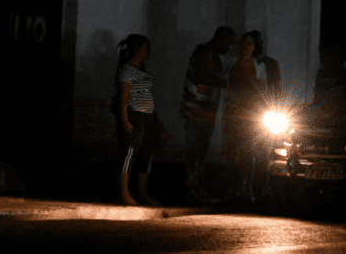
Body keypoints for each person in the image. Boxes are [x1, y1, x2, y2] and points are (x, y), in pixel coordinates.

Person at [179, 26, 237, 205]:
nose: (229, 49)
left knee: (198, 153)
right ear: (222, 39)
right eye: (229, 44)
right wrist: (229, 84)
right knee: (195, 153)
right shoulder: (204, 53)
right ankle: (193, 191)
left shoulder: (210, 55)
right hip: (197, 111)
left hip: (203, 111)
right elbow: (204, 77)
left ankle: (196, 190)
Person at [114, 34, 170, 206]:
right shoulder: (127, 70)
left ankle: (141, 191)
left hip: (147, 116)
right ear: (137, 49)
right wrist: (124, 120)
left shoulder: (143, 71)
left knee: (146, 154)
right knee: (130, 154)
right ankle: (124, 192)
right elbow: (124, 97)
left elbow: (148, 96)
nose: (148, 51)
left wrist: (157, 123)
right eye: (145, 48)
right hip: (135, 115)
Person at [225, 32, 269, 202]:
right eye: (244, 43)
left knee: (249, 152)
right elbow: (228, 88)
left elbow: (263, 88)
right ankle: (233, 188)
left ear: (254, 46)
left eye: (249, 43)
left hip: (252, 115)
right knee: (232, 151)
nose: (245, 46)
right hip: (234, 114)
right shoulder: (232, 64)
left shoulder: (258, 66)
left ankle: (247, 188)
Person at [251, 30, 282, 98]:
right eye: (254, 42)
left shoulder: (271, 63)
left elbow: (277, 87)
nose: (256, 45)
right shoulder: (244, 63)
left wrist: (279, 101)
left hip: (266, 101)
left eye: (258, 42)